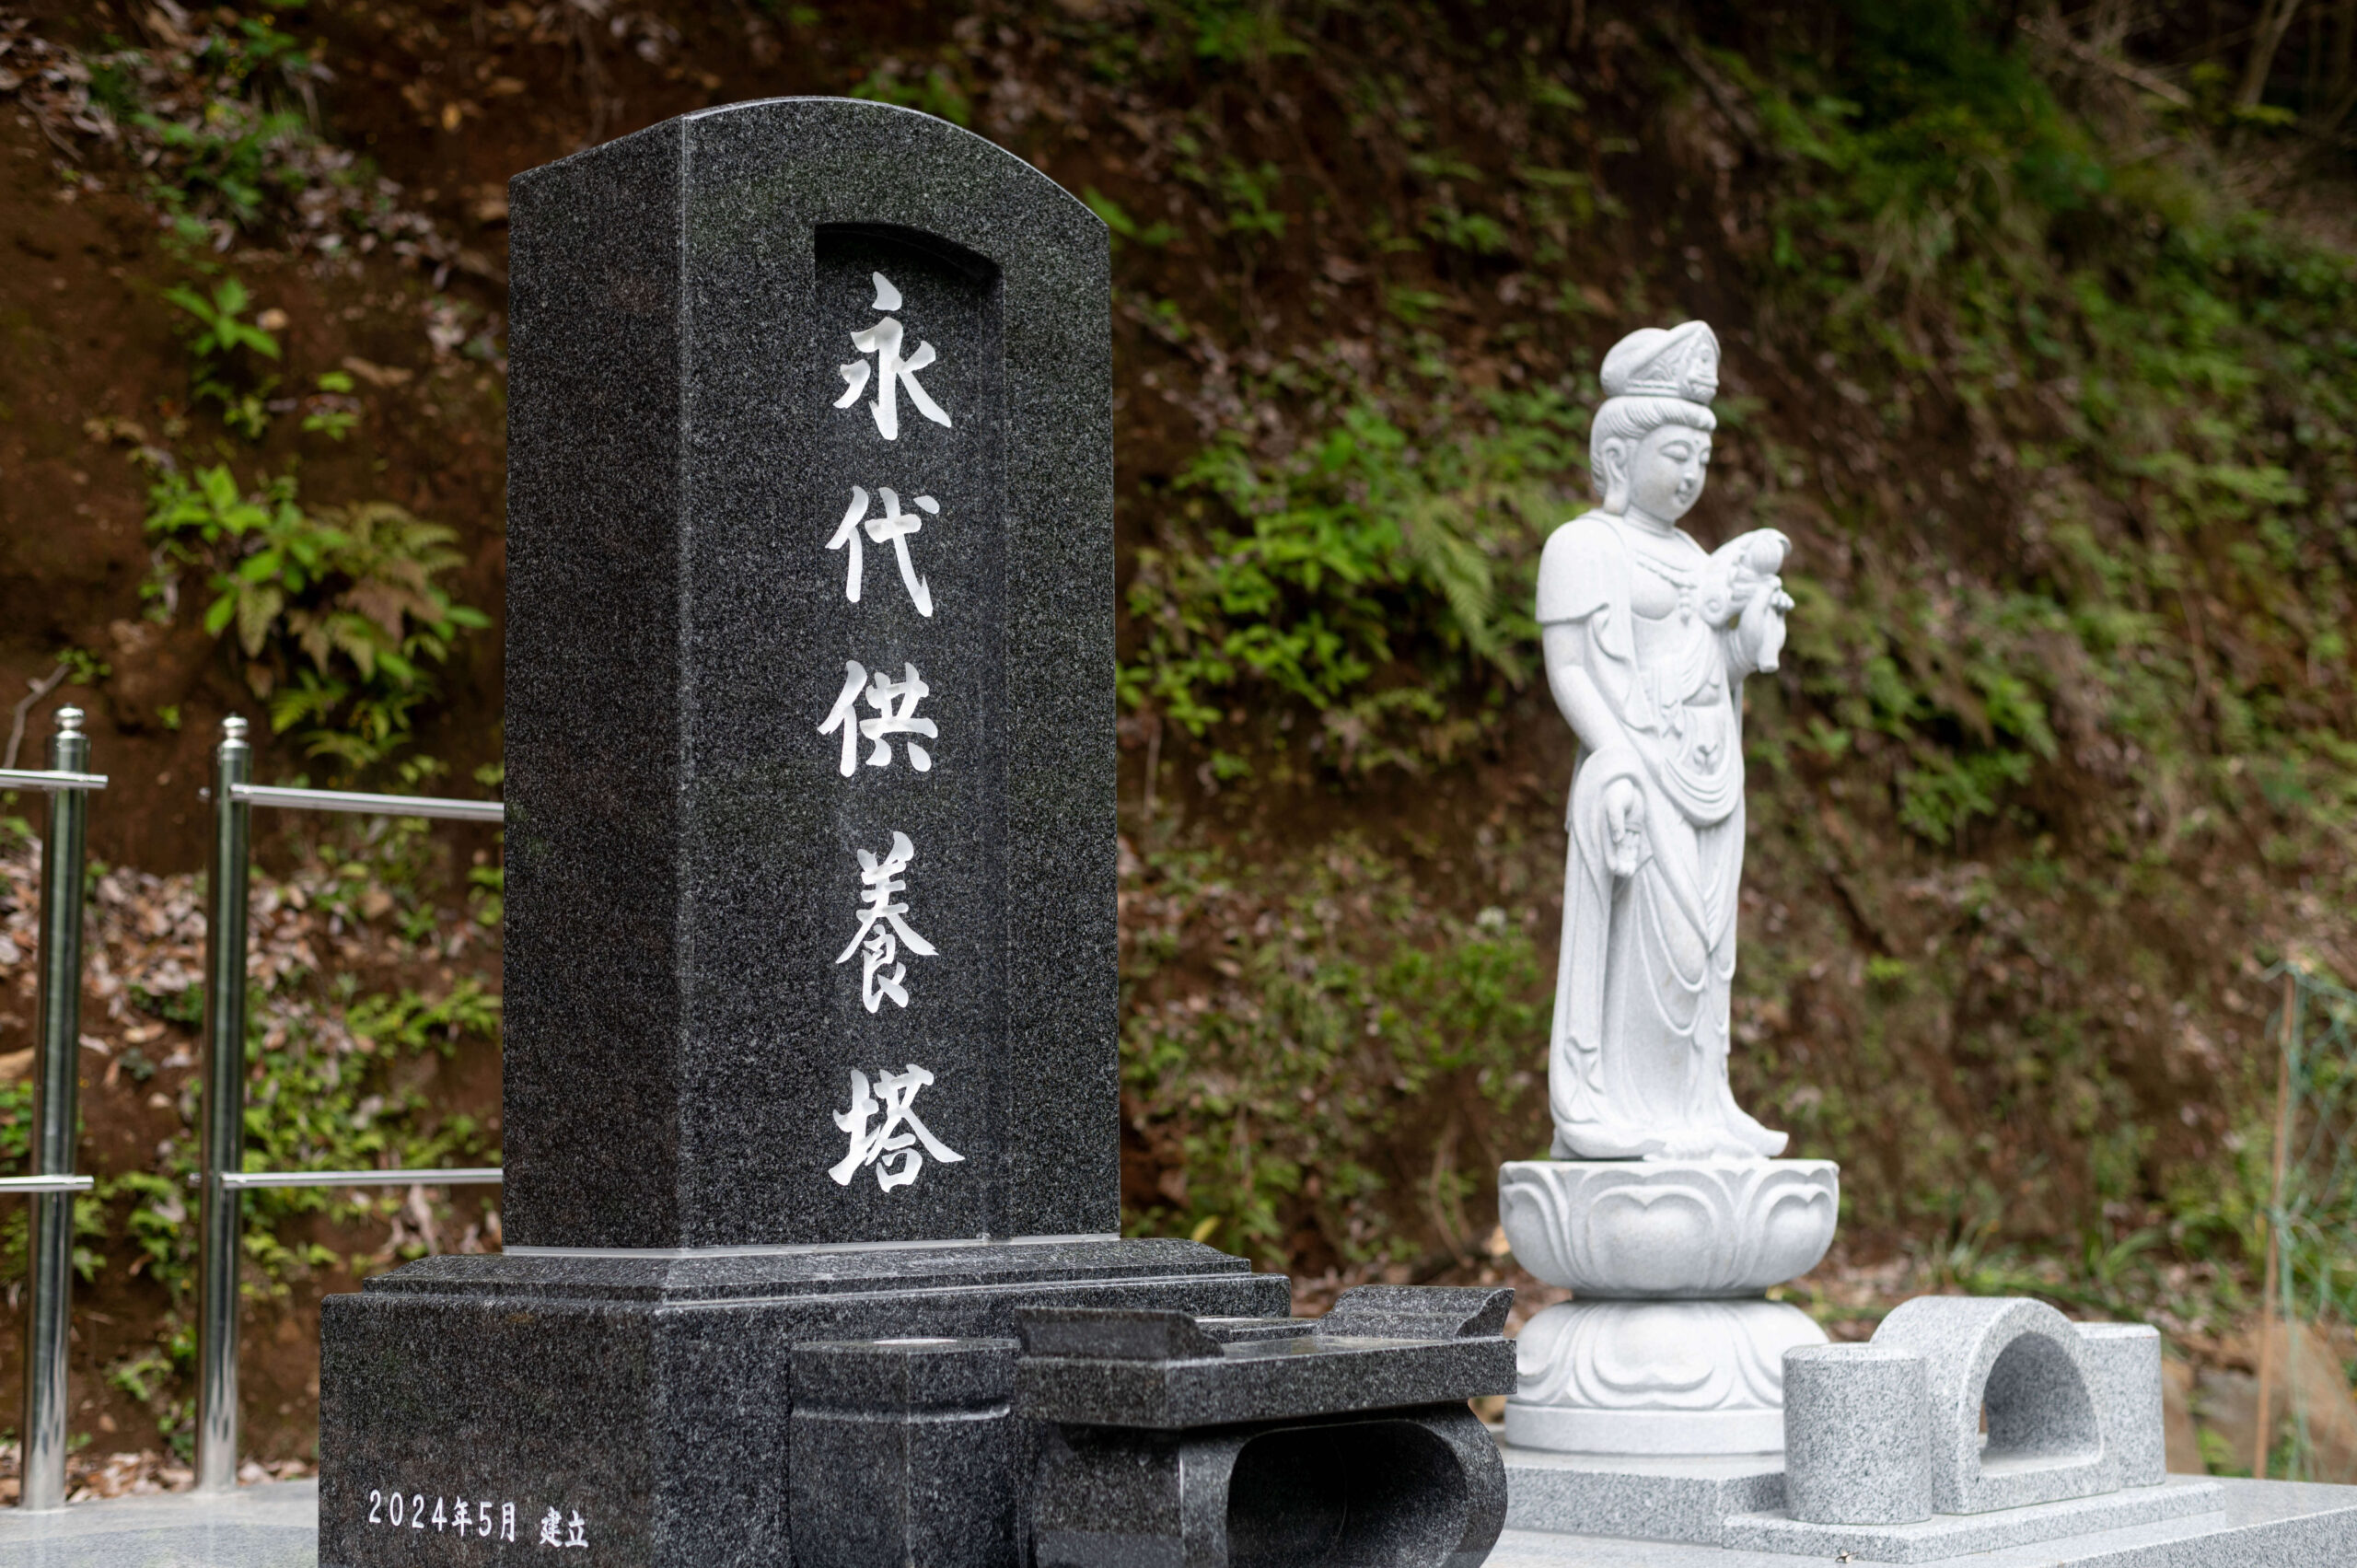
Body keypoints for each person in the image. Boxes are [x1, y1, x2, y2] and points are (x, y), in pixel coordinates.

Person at [1538, 320, 1795, 1161]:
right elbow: (1572, 669)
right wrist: (1613, 759)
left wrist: (1753, 625)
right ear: (1617, 457)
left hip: (1709, 770)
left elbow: (1710, 664)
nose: (1690, 473)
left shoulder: (1695, 556)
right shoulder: (1583, 545)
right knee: (1661, 941)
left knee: (1711, 949)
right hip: (1636, 768)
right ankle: (1615, 1101)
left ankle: (1699, 1104)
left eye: (1700, 458)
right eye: (1673, 453)